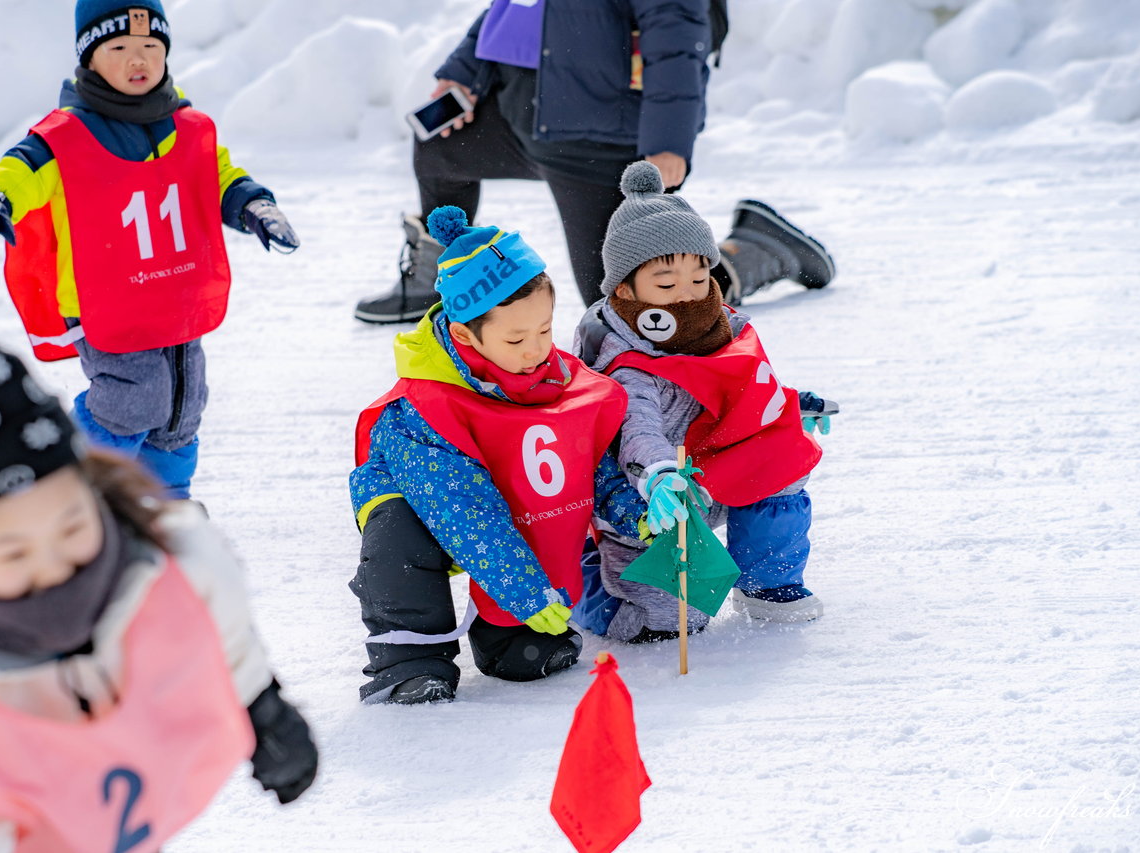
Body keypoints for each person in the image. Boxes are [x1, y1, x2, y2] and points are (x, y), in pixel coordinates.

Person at [0, 282, 317, 852]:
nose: (54, 569)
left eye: (73, 527)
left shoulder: (180, 560)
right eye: (13, 553)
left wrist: (260, 706)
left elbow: (218, 624)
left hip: (113, 795)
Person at [0, 0, 299, 499]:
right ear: (89, 58)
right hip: (105, 303)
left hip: (174, 293)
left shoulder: (184, 126)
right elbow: (22, 169)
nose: (137, 59)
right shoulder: (65, 135)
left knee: (184, 403)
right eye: (118, 47)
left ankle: (165, 503)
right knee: (134, 397)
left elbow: (215, 174)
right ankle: (76, 486)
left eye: (150, 47)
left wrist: (253, 204)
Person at [350, 206, 648, 703]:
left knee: (544, 531)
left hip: (506, 495)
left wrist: (634, 513)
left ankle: (507, 637)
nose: (536, 350)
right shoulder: (422, 409)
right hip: (432, 509)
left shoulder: (554, 377)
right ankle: (410, 661)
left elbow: (583, 461)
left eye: (545, 330)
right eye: (515, 338)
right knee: (399, 536)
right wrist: (526, 593)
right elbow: (464, 512)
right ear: (466, 334)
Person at [575, 162, 838, 642]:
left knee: (778, 459)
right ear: (626, 288)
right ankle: (581, 582)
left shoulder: (719, 327)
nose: (688, 296)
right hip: (647, 497)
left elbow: (743, 389)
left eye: (699, 279)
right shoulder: (625, 359)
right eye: (667, 283)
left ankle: (769, 583)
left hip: (709, 468)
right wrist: (657, 473)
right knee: (666, 623)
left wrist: (791, 405)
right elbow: (637, 426)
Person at [354, 0, 725, 322]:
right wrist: (463, 75)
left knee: (619, 299)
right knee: (440, 148)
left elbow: (675, 41)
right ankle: (441, 278)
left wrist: (668, 143)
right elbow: (511, 12)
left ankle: (740, 266)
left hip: (594, 143)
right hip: (521, 120)